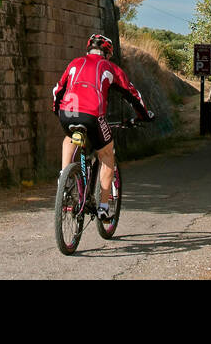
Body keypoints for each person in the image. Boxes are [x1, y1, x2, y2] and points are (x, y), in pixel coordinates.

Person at [51, 33, 153, 220]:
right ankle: (104, 207)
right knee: (106, 154)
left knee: (69, 138)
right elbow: (132, 94)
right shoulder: (109, 67)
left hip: (67, 113)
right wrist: (144, 115)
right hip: (92, 115)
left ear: (88, 49)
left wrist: (57, 110)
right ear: (107, 53)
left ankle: (64, 180)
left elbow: (57, 90)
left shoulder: (74, 63)